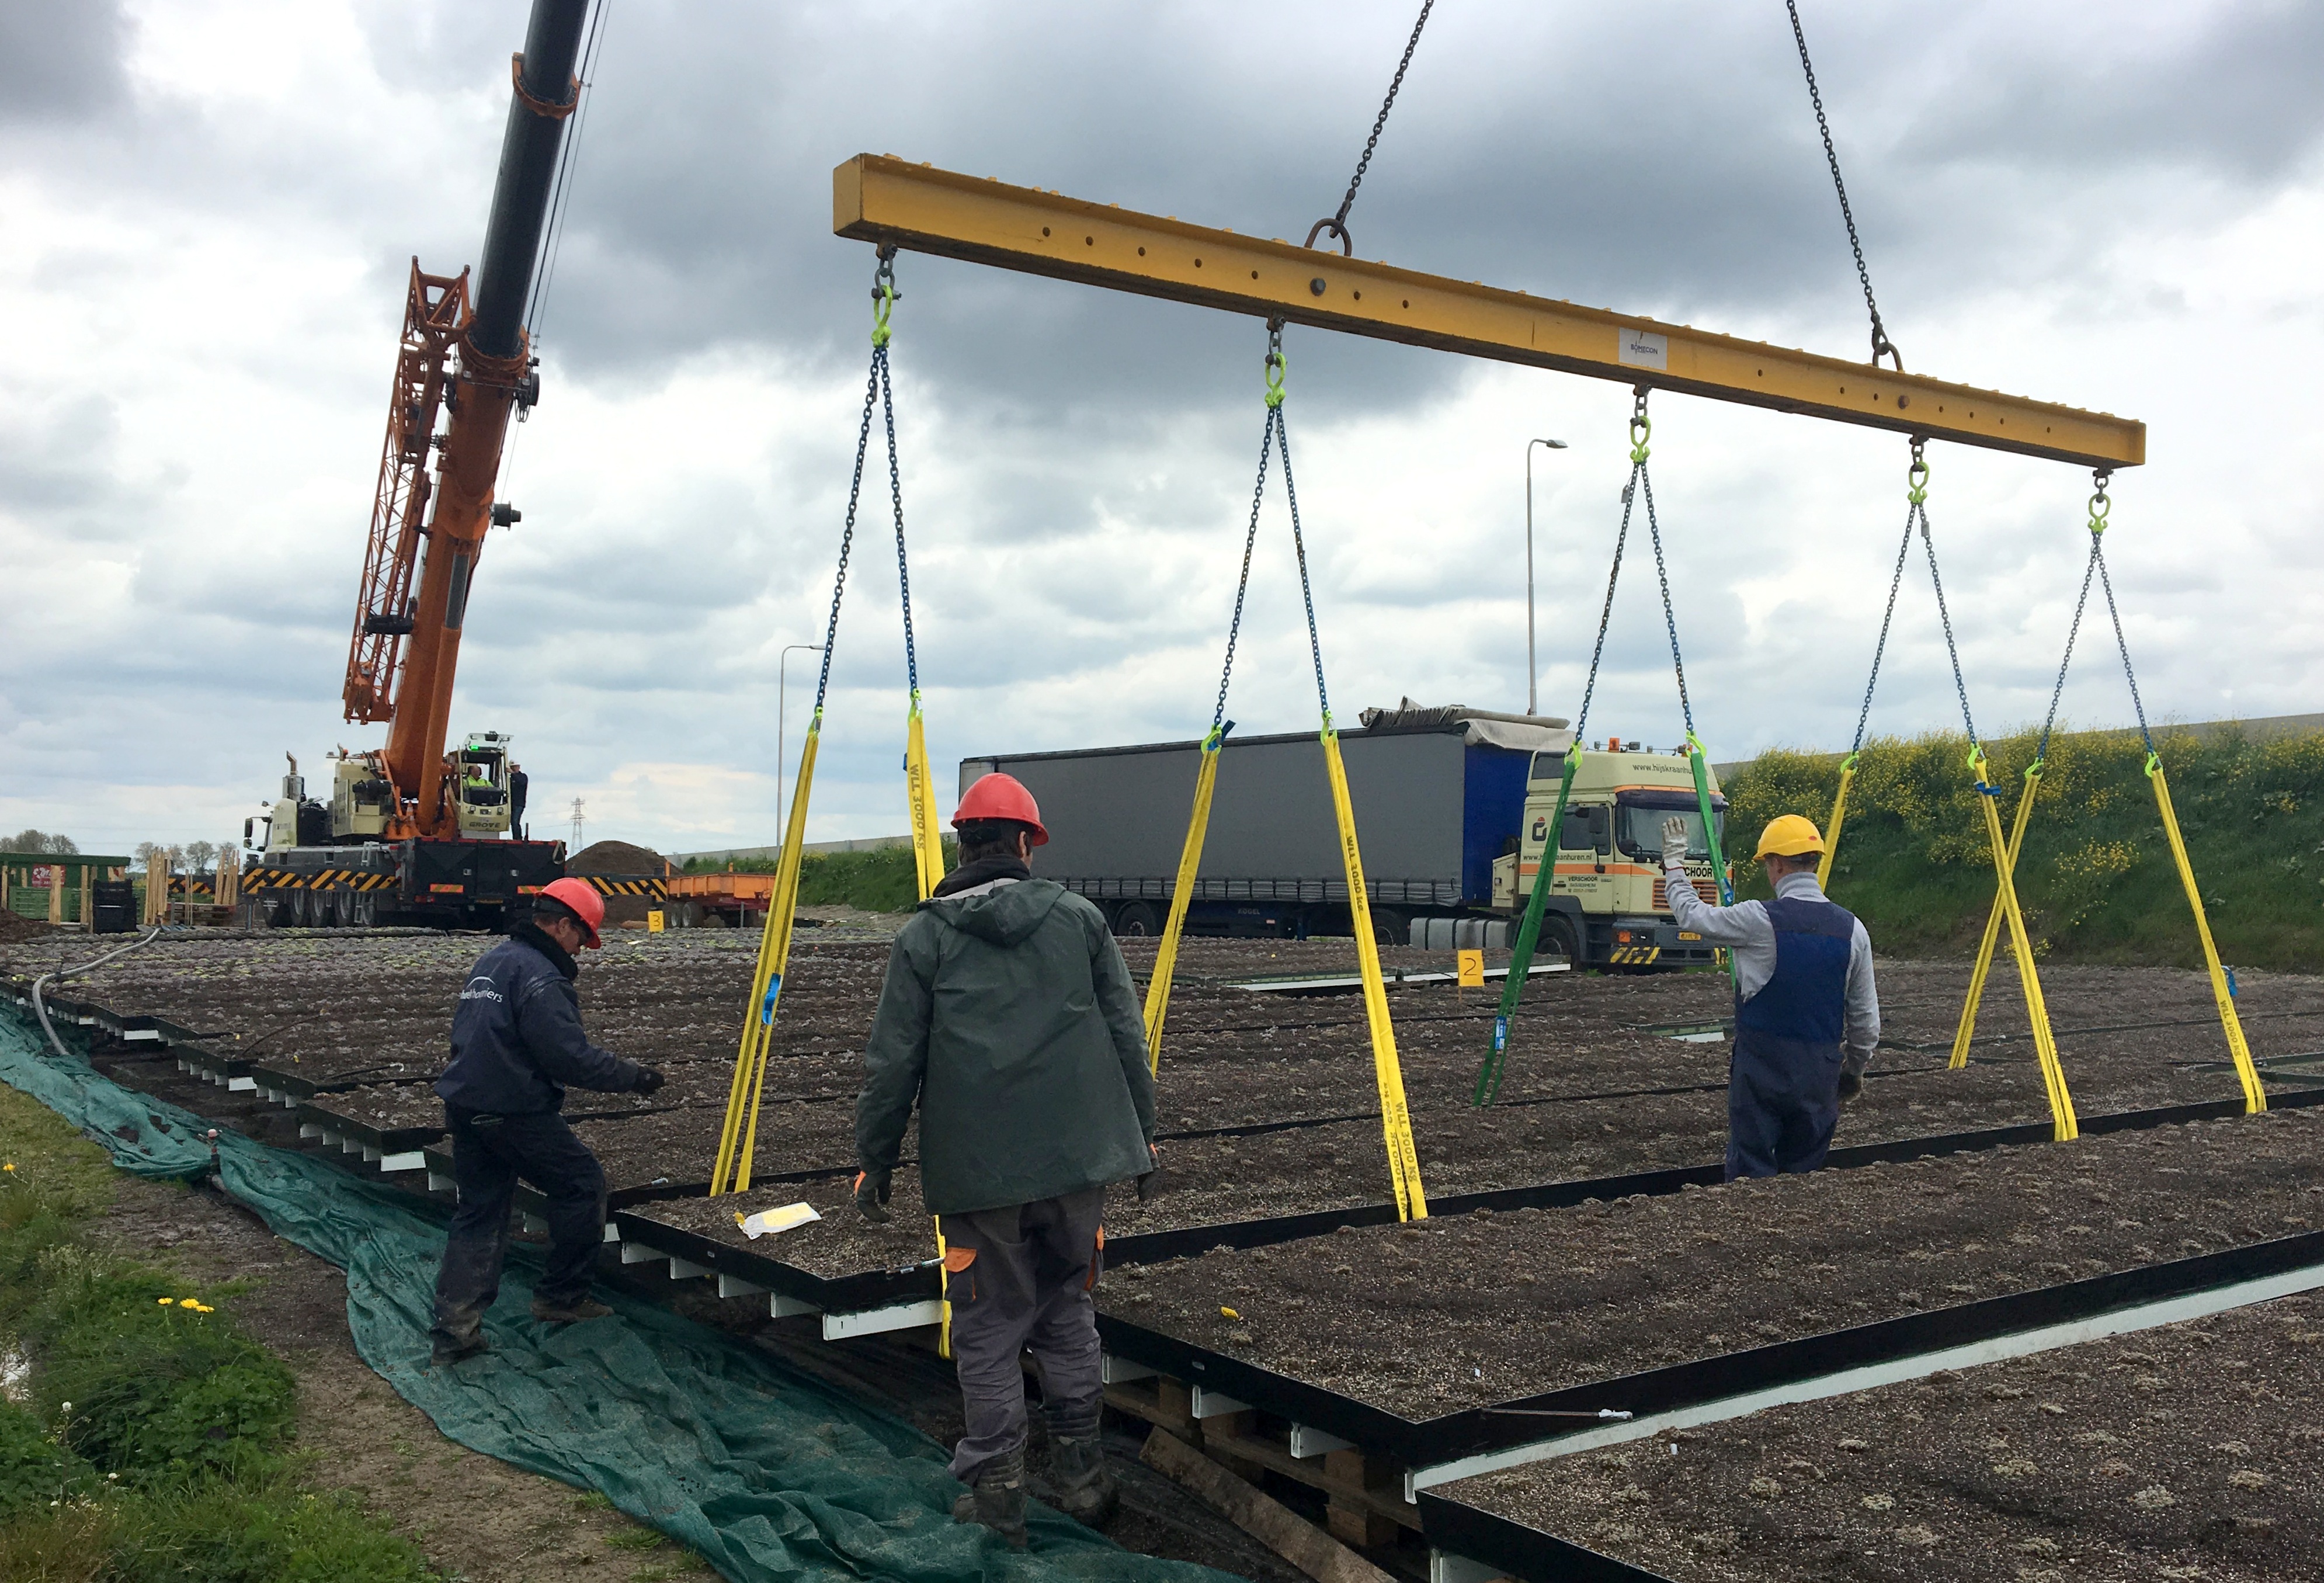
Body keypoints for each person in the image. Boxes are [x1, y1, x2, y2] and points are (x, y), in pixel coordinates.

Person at [853, 772, 1158, 1547]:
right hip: (1078, 1165)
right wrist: (1141, 1137)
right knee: (1066, 1315)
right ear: (1027, 843)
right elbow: (1126, 1032)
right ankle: (1084, 1479)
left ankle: (997, 1497)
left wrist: (875, 1156)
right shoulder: (1081, 921)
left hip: (978, 1174)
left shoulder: (923, 937)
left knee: (988, 1327)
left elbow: (893, 1061)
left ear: (963, 843)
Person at [428, 876, 666, 1365]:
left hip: (466, 1104)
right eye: (582, 938)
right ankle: (561, 1299)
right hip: (513, 1110)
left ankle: (455, 1331)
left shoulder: (492, 963)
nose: (581, 950)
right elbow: (569, 1058)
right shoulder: (542, 977)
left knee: (478, 1213)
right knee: (581, 1185)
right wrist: (634, 1077)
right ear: (562, 926)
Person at [1659, 812, 1878, 1181]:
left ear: (1776, 864)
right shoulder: (1854, 930)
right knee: (1802, 1182)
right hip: (1819, 1074)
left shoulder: (1757, 918)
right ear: (1813, 862)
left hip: (1761, 1070)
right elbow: (1865, 1023)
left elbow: (1693, 917)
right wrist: (1852, 1071)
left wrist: (1674, 866)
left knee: (1750, 1181)